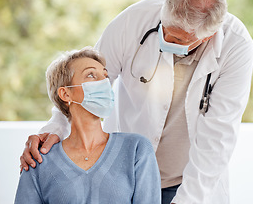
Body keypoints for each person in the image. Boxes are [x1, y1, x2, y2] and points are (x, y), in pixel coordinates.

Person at [20, 0, 253, 204]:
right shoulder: (134, 20)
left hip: (187, 180)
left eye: (177, 39)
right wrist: (55, 128)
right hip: (124, 175)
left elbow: (218, 135)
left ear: (207, 36)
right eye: (165, 28)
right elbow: (82, 80)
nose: (165, 38)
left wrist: (188, 200)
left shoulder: (236, 45)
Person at [15, 47, 161, 204]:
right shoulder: (39, 160)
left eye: (105, 76)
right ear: (66, 94)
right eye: (91, 75)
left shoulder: (136, 149)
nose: (104, 82)